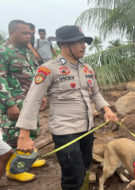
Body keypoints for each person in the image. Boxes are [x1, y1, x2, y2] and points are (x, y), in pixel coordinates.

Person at [16, 25, 118, 190]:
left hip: (88, 129)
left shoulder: (87, 68)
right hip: (65, 132)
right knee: (72, 176)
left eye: (84, 42)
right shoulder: (48, 69)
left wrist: (107, 110)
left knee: (85, 167)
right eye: (78, 42)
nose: (84, 46)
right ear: (63, 45)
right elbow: (32, 100)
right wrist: (24, 135)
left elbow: (96, 93)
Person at [0, 20, 46, 182]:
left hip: (30, 102)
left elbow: (34, 75)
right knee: (14, 136)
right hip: (15, 103)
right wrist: (10, 105)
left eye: (29, 34)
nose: (28, 36)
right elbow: (1, 80)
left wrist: (41, 95)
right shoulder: (3, 52)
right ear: (12, 32)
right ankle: (13, 170)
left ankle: (25, 160)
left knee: (31, 131)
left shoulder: (26, 51)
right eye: (24, 33)